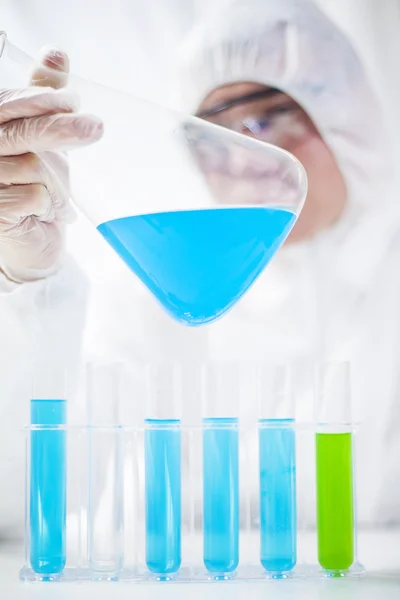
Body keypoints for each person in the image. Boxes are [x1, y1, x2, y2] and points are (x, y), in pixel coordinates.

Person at [0, 0, 399, 537]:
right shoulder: (153, 297)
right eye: (214, 137)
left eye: (267, 119)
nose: (239, 159)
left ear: (345, 117)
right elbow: (23, 504)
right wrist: (28, 283)